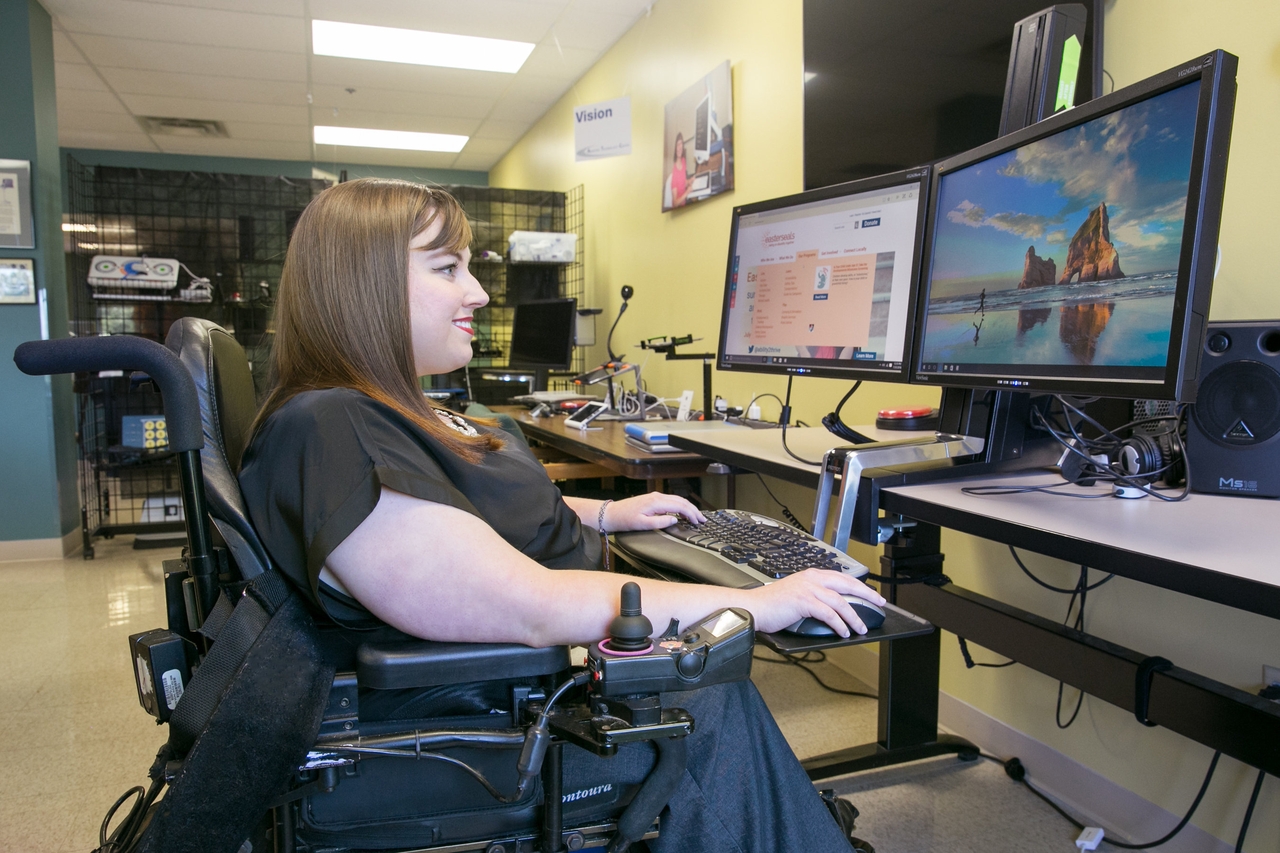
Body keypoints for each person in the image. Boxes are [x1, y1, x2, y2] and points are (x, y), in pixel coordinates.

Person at [238, 178, 884, 852]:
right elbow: (530, 603)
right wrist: (756, 601)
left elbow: (462, 515)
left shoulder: (380, 408)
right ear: (363, 285)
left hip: (508, 685)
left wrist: (606, 512)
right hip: (484, 730)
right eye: (447, 268)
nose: (479, 293)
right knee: (707, 695)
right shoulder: (333, 426)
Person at [663, 133, 690, 209]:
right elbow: (675, 203)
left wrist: (690, 181)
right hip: (679, 208)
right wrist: (687, 192)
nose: (679, 148)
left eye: (681, 145)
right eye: (678, 145)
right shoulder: (674, 173)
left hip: (685, 201)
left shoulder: (683, 161)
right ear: (675, 148)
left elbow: (683, 182)